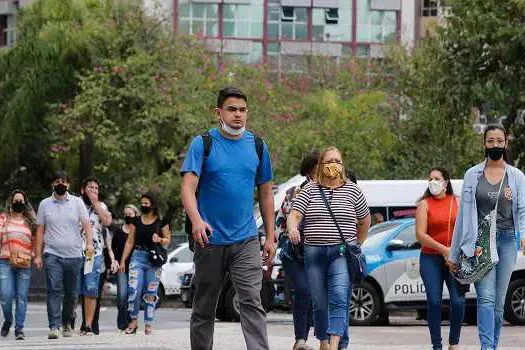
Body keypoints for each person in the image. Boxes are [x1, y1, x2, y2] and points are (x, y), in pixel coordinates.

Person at [181, 87, 276, 350]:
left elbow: (266, 193)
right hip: (209, 239)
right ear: (218, 112)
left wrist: (270, 236)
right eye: (232, 109)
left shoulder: (258, 146)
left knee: (251, 301)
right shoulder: (203, 143)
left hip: (246, 239)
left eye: (242, 110)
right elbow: (187, 188)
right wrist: (197, 220)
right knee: (204, 306)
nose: (238, 115)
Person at [287, 146, 371, 350]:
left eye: (338, 161)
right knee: (319, 301)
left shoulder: (353, 190)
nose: (333, 165)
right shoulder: (310, 189)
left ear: (342, 166)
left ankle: (333, 344)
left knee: (339, 297)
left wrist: (357, 243)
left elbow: (364, 219)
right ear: (321, 166)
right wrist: (292, 228)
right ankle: (323, 342)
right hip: (314, 253)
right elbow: (295, 214)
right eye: (329, 161)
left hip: (341, 253)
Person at [450, 125, 525, 350]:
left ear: (505, 143)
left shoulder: (517, 176)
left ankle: (492, 344)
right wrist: (454, 253)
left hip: (507, 241)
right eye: (490, 141)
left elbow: (522, 209)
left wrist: (523, 235)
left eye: (499, 141)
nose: (495, 145)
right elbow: (463, 217)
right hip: (480, 243)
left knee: (499, 303)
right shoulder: (472, 175)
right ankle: (487, 348)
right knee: (486, 298)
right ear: (484, 144)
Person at [34, 171, 94, 339]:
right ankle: (54, 326)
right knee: (53, 289)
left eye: (64, 181)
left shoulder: (77, 203)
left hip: (74, 255)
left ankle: (67, 323)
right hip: (52, 254)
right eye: (57, 181)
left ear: (68, 185)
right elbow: (39, 231)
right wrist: (37, 255)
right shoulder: (44, 204)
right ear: (53, 184)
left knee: (72, 293)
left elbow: (87, 225)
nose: (60, 184)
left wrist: (89, 243)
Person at [416, 167, 464, 350]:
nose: (432, 182)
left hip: (455, 259)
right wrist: (444, 250)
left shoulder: (457, 201)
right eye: (430, 179)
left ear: (446, 182)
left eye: (436, 178)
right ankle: (437, 345)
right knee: (434, 302)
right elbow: (420, 235)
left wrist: (455, 251)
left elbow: (465, 229)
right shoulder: (424, 204)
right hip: (430, 259)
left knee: (458, 301)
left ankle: (454, 342)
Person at [119, 193, 170, 335]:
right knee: (133, 289)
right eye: (142, 203)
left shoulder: (161, 221)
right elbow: (130, 241)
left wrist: (159, 239)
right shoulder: (136, 221)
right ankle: (133, 321)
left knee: (151, 292)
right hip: (137, 257)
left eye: (146, 204)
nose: (143, 206)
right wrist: (123, 260)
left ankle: (149, 323)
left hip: (154, 260)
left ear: (153, 205)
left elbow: (168, 240)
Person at [78, 177, 112, 336]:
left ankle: (88, 325)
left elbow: (107, 221)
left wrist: (95, 202)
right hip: (74, 251)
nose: (93, 190)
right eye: (90, 187)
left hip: (94, 252)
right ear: (82, 190)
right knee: (73, 289)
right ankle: (68, 323)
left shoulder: (102, 206)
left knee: (91, 288)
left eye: (96, 188)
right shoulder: (75, 203)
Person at [0, 190, 36, 340]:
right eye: (16, 200)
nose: (18, 203)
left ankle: (19, 329)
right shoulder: (3, 218)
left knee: (22, 297)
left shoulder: (30, 222)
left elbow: (37, 239)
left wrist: (35, 254)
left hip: (25, 262)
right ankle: (8, 320)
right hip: (5, 261)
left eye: (21, 200)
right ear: (11, 202)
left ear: (25, 203)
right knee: (5, 294)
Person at [107, 204, 139, 333]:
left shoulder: (138, 231)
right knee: (122, 295)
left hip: (135, 267)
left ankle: (132, 323)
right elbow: (112, 249)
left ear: (136, 215)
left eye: (130, 214)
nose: (127, 216)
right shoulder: (119, 231)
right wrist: (115, 261)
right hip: (122, 267)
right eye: (125, 214)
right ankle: (122, 324)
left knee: (133, 295)